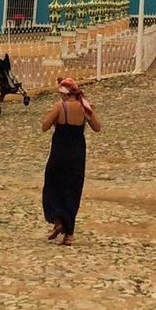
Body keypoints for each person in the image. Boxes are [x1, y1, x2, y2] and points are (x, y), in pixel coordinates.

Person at [41, 77, 102, 246]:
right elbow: (97, 127)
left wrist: (51, 116)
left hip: (59, 153)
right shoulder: (85, 108)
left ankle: (58, 220)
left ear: (65, 95)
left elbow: (44, 126)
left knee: (53, 185)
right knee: (73, 189)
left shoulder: (60, 107)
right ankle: (69, 234)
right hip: (77, 154)